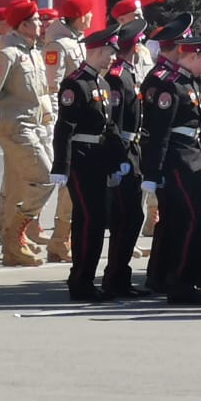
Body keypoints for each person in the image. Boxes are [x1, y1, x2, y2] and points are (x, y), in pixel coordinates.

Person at [140, 23, 201, 304]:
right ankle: (179, 282)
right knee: (193, 218)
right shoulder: (170, 84)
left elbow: (197, 133)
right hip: (177, 163)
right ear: (190, 55)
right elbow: (160, 133)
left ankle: (182, 278)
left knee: (193, 219)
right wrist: (153, 173)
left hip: (193, 159)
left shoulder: (188, 83)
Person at [50, 28, 119, 300]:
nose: (111, 59)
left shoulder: (102, 84)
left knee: (96, 219)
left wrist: (116, 161)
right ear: (97, 51)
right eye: (109, 54)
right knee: (89, 219)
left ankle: (86, 278)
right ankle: (80, 281)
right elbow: (64, 128)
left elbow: (108, 127)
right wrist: (61, 166)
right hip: (80, 158)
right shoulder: (75, 84)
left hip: (98, 158)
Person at [0, 0, 54, 267]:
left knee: (24, 184)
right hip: (16, 127)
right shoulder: (7, 53)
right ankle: (12, 234)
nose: (41, 25)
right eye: (36, 20)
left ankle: (13, 243)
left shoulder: (32, 51)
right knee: (45, 177)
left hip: (34, 127)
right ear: (24, 24)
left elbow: (40, 93)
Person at [41, 0, 93, 262]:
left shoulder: (78, 43)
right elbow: (52, 84)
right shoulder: (58, 45)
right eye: (89, 14)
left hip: (83, 122)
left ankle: (65, 238)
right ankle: (59, 240)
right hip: (66, 121)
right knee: (68, 184)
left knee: (77, 185)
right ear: (81, 16)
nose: (92, 18)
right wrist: (52, 121)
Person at [100, 20, 147, 298]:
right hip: (124, 152)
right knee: (125, 216)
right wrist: (117, 160)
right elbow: (113, 123)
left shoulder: (129, 73)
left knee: (131, 216)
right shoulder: (117, 76)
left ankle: (120, 275)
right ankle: (114, 276)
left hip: (133, 149)